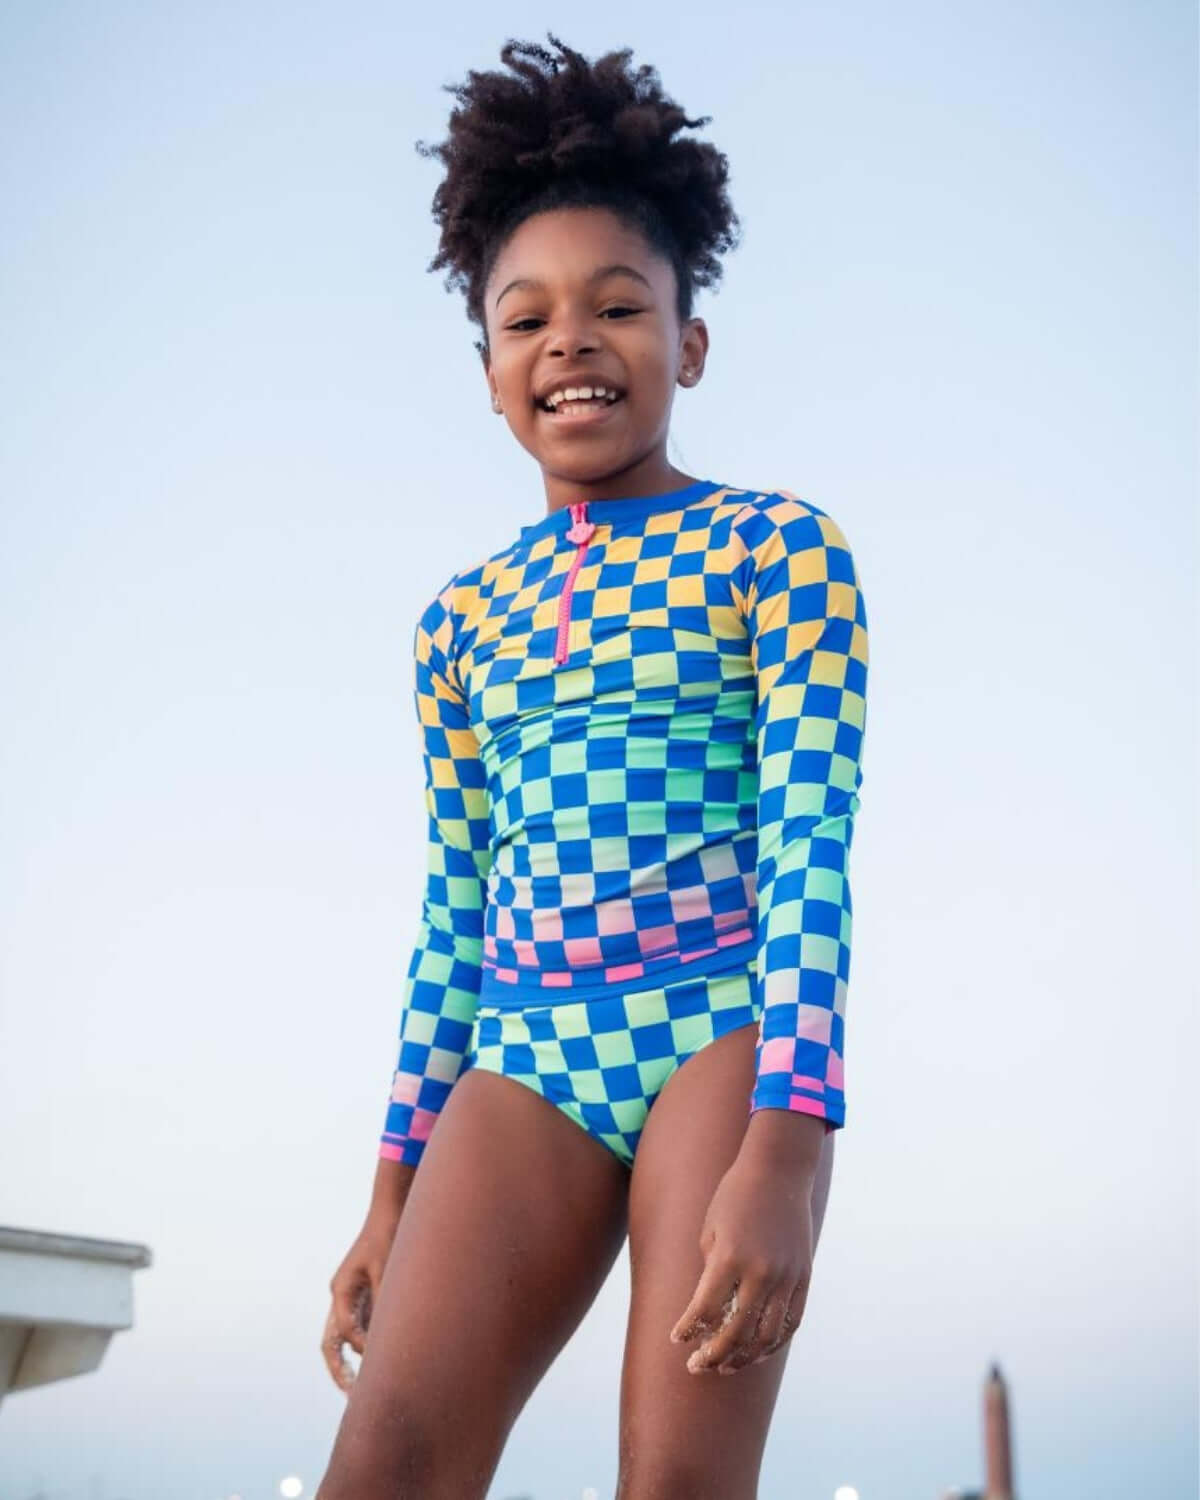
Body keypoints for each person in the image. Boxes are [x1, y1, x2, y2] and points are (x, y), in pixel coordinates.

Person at [315, 32, 869, 1500]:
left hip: (717, 1041)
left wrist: (791, 1149)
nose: (572, 339)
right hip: (524, 1062)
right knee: (384, 1464)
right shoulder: (459, 626)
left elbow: (812, 844)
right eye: (528, 318)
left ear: (688, 343)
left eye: (620, 306)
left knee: (677, 1483)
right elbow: (454, 908)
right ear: (490, 370)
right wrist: (391, 1190)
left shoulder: (778, 550)